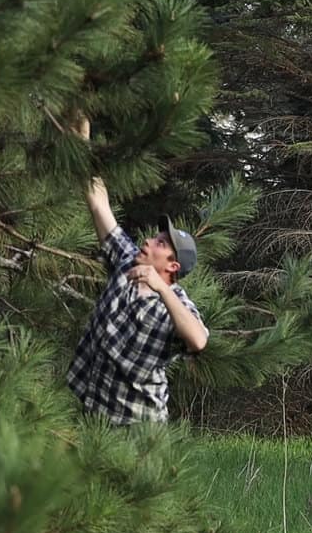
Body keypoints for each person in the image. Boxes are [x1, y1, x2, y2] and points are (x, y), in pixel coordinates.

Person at [65, 115, 208, 425]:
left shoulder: (175, 303)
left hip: (137, 427)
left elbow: (198, 340)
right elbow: (98, 202)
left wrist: (161, 288)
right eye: (154, 237)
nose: (148, 241)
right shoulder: (127, 261)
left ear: (173, 265)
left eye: (160, 243)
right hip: (91, 410)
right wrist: (83, 144)